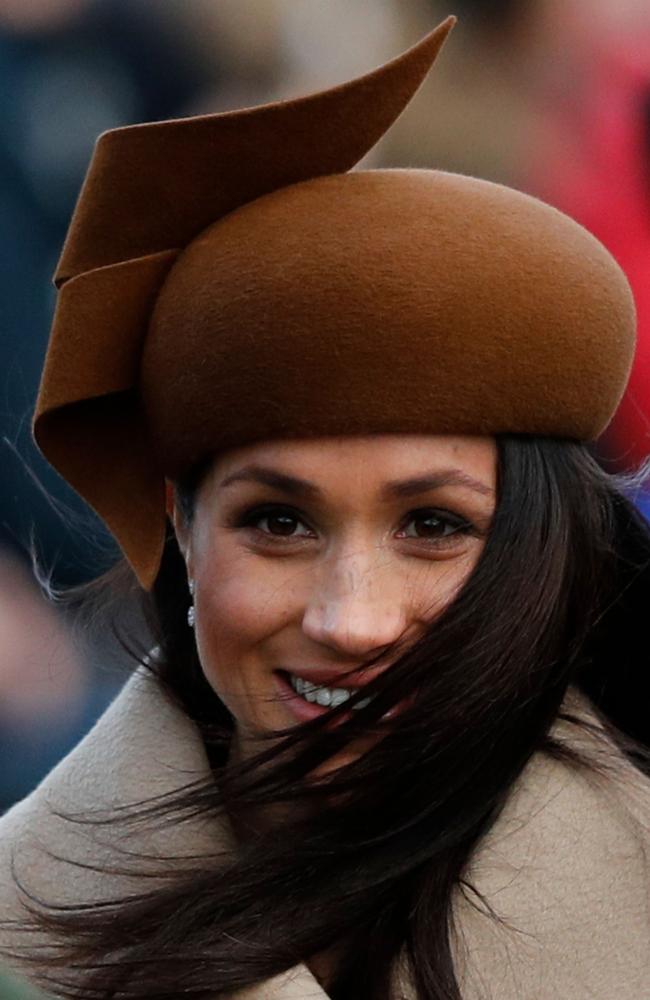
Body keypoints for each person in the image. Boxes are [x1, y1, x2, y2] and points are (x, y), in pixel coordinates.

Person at [0, 14, 649, 1000]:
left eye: (431, 526)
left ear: (542, 542)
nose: (349, 617)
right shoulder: (19, 944)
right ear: (180, 523)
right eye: (277, 521)